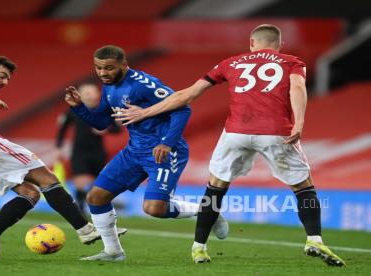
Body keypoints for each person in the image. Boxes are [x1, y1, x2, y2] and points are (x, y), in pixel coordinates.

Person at [114, 24, 345, 266]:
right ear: (279, 45)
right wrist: (299, 122)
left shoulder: (231, 63)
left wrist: (145, 112)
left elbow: (189, 94)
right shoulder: (291, 62)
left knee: (215, 187)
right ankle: (314, 239)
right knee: (303, 188)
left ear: (252, 43)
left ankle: (199, 247)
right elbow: (297, 88)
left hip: (236, 132)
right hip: (275, 131)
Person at [0, 55, 125, 259]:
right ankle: (85, 229)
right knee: (47, 179)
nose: (4, 82)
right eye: (2, 76)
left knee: (30, 193)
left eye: (7, 79)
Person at [64, 45, 228, 262]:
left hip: (165, 151)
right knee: (96, 196)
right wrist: (79, 108)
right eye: (99, 68)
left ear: (124, 65)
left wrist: (167, 143)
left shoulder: (144, 86)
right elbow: (102, 122)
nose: (103, 73)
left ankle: (206, 212)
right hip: (134, 151)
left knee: (155, 209)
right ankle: (113, 252)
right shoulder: (109, 87)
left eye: (109, 68)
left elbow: (183, 109)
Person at [56, 83, 121, 215]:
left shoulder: (103, 110)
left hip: (98, 152)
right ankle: (79, 208)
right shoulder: (73, 110)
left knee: (98, 182)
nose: (90, 95)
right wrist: (59, 146)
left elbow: (117, 129)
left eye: (93, 92)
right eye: (87, 93)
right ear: (80, 95)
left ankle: (94, 203)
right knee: (80, 180)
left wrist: (106, 129)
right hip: (79, 151)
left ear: (98, 94)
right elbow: (62, 128)